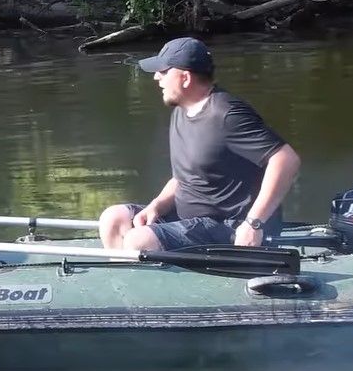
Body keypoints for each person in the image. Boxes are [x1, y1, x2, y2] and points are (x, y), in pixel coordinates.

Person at [98, 37, 301, 252]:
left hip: (229, 223)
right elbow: (186, 176)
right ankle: (127, 280)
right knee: (113, 219)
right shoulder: (182, 109)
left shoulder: (226, 114)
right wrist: (157, 205)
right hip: (191, 218)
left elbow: (286, 159)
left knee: (138, 241)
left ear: (185, 78)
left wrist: (254, 223)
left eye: (164, 72)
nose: (157, 77)